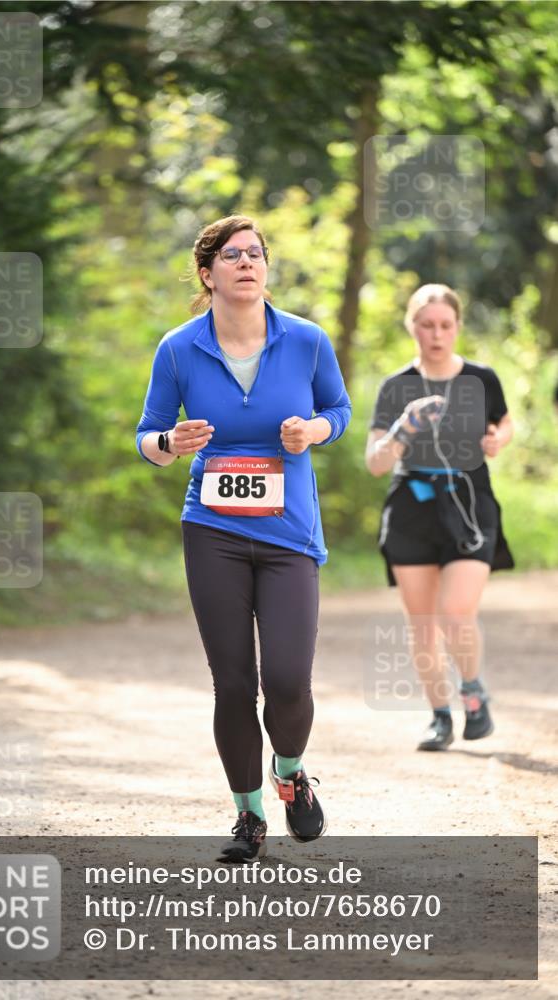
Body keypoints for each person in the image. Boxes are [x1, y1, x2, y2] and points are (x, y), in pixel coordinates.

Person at [136, 215, 351, 861]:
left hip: (288, 534)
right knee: (233, 684)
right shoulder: (179, 347)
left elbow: (337, 411)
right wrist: (172, 444)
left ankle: (288, 775)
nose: (246, 263)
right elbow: (147, 435)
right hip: (213, 530)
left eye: (255, 253)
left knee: (288, 681)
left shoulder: (307, 341)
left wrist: (312, 433)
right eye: (231, 255)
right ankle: (248, 815)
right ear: (207, 274)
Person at [365, 284, 514, 751]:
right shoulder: (396, 387)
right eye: (426, 325)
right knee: (423, 624)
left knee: (455, 612)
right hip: (411, 507)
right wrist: (402, 428)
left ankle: (472, 692)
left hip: (470, 505)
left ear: (457, 327)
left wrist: (498, 440)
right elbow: (375, 462)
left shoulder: (481, 378)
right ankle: (438, 717)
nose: (436, 334)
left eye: (445, 325)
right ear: (412, 327)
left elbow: (503, 422)